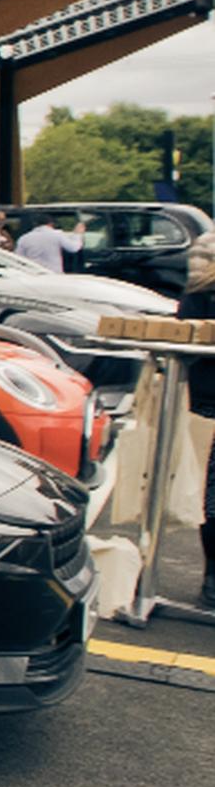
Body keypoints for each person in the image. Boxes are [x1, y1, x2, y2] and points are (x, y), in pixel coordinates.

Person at [183, 231, 215, 609]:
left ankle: (211, 576)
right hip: (208, 400)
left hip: (205, 399)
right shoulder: (202, 294)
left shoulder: (198, 293)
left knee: (210, 493)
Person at [12, 212, 82, 274]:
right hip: (54, 274)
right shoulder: (57, 235)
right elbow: (74, 248)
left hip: (32, 274)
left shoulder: (24, 238)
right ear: (51, 224)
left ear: (35, 224)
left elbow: (18, 259)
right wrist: (77, 234)